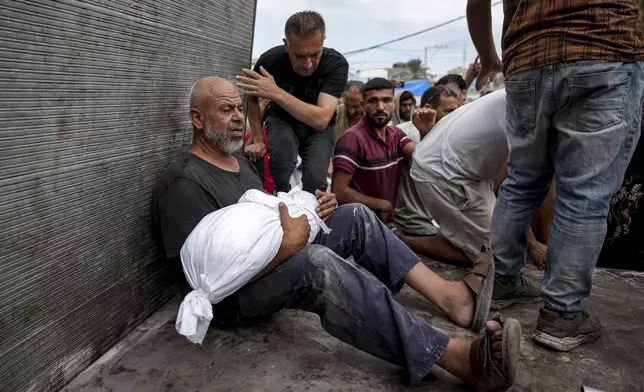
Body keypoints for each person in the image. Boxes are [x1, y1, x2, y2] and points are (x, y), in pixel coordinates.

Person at [152, 76, 521, 391]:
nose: (237, 119)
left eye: (239, 108)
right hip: (230, 299)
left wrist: (312, 210)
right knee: (317, 265)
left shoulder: (238, 164)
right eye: (225, 110)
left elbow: (264, 219)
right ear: (197, 119)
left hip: (271, 258)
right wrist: (289, 244)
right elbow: (204, 281)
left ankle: (452, 299)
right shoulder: (183, 182)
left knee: (354, 215)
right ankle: (456, 358)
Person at [467, 0, 644, 351]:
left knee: (521, 179)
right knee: (585, 194)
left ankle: (500, 281)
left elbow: (477, 3)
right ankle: (561, 314)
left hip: (526, 59)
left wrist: (488, 59)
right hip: (606, 47)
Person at [409, 88, 551, 270]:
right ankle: (402, 242)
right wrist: (533, 245)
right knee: (495, 256)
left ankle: (458, 236)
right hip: (444, 172)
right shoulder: (538, 110)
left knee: (496, 240)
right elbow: (508, 189)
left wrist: (545, 243)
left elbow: (546, 189)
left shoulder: (533, 88)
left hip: (466, 169)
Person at [238, 11, 349, 194]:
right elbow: (252, 98)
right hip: (282, 119)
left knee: (315, 178)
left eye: (314, 54)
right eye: (299, 56)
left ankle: (311, 215)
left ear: (323, 42)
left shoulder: (336, 65)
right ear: (286, 45)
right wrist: (257, 138)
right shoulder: (270, 61)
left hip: (318, 129)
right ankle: (279, 199)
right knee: (282, 159)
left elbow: (320, 119)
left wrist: (276, 93)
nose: (307, 64)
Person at [331, 79, 415, 223]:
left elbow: (419, 155)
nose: (380, 107)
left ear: (394, 104)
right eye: (373, 101)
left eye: (386, 100)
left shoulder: (396, 134)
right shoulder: (352, 139)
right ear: (364, 106)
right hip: (360, 225)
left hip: (385, 223)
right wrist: (383, 205)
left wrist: (426, 131)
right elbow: (339, 191)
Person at [393, 86, 460, 237]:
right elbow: (426, 164)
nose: (455, 117)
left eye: (457, 112)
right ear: (429, 109)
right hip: (415, 222)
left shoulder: (452, 134)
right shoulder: (405, 132)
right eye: (449, 112)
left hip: (441, 219)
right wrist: (427, 134)